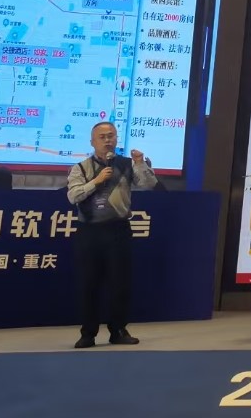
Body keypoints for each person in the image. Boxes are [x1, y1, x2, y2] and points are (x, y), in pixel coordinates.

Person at [66, 121, 156, 348]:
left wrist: (140, 163)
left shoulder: (127, 164)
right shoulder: (81, 167)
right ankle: (88, 334)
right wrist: (96, 181)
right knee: (89, 284)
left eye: (111, 136)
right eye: (102, 137)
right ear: (92, 142)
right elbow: (73, 196)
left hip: (118, 230)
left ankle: (118, 330)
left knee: (120, 283)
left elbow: (148, 184)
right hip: (90, 232)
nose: (107, 140)